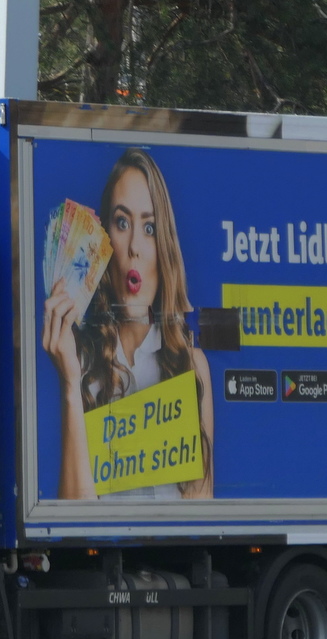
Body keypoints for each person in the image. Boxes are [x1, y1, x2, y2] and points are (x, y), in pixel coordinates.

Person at [42, 149, 215, 499]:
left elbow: (201, 512)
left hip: (173, 554)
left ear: (163, 245)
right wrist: (71, 386)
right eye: (122, 223)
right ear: (103, 243)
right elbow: (77, 526)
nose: (135, 246)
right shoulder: (83, 363)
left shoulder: (190, 366)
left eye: (149, 228)